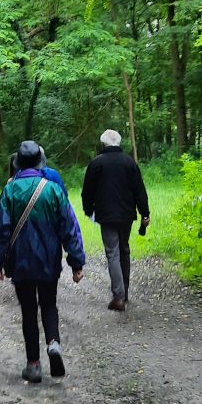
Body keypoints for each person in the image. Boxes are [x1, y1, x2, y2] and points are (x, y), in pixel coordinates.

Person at [0, 139, 85, 383]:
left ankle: (33, 365)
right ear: (40, 162)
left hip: (20, 262)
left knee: (29, 311)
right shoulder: (53, 189)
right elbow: (69, 227)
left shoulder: (10, 190)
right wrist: (76, 262)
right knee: (49, 304)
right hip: (48, 261)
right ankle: (53, 344)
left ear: (18, 163)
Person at [80, 128, 150, 312]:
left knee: (113, 252)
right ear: (119, 143)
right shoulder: (129, 162)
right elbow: (139, 191)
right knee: (124, 249)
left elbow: (87, 191)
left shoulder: (96, 164)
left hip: (106, 215)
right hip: (127, 214)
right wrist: (145, 213)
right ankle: (124, 292)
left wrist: (88, 211)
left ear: (103, 144)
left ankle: (118, 296)